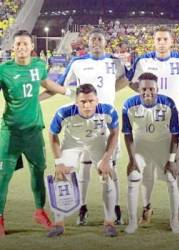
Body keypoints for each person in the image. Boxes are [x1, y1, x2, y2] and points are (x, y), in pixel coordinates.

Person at [41, 28, 128, 225]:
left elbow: (126, 79)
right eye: (93, 39)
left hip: (107, 120)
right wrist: (35, 100)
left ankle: (115, 208)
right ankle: (82, 207)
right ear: (87, 43)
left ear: (106, 42)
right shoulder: (78, 62)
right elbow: (60, 86)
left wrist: (109, 92)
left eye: (100, 38)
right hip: (82, 120)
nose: (96, 42)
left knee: (110, 167)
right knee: (85, 168)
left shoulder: (114, 62)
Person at [0, 30, 70, 237]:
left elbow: (47, 84)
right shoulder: (3, 70)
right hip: (10, 132)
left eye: (25, 44)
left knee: (38, 172)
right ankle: (0, 218)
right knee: (3, 177)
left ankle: (40, 211)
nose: (21, 47)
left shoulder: (39, 66)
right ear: (13, 47)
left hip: (33, 132)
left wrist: (68, 92)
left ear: (32, 47)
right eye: (18, 44)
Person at [126, 26, 179, 223]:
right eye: (158, 39)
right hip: (149, 120)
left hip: (175, 120)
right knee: (147, 168)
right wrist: (146, 96)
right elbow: (132, 82)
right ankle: (147, 207)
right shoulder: (143, 61)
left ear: (171, 41)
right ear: (154, 41)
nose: (162, 42)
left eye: (165, 39)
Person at [47, 84, 119, 237]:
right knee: (60, 177)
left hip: (97, 141)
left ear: (97, 100)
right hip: (73, 143)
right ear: (76, 102)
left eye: (91, 101)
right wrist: (59, 161)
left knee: (107, 177)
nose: (87, 105)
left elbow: (114, 133)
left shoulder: (108, 111)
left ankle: (109, 222)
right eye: (83, 102)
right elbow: (53, 135)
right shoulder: (63, 112)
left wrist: (106, 159)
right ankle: (59, 223)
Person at [122, 72, 179, 234]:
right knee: (134, 177)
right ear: (138, 89)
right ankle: (133, 222)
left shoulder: (168, 103)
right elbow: (128, 134)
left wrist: (171, 159)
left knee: (170, 177)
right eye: (144, 89)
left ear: (157, 88)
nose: (147, 92)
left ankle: (174, 220)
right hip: (142, 144)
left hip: (163, 143)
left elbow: (175, 134)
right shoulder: (129, 104)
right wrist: (132, 158)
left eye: (151, 88)